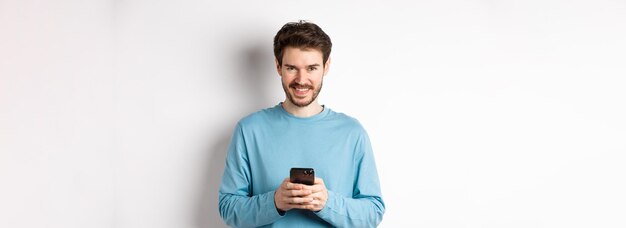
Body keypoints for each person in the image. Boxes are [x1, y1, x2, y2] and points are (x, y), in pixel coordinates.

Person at [218, 20, 385, 227]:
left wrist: (327, 203)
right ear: (278, 67)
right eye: (291, 68)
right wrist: (275, 202)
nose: (301, 79)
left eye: (312, 68)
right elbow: (228, 207)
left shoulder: (352, 132)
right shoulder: (249, 130)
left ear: (326, 67)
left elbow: (373, 212)